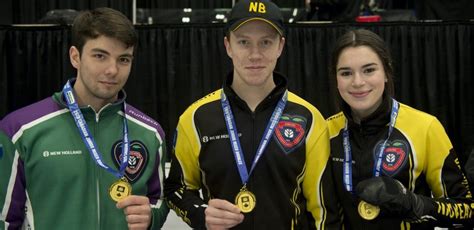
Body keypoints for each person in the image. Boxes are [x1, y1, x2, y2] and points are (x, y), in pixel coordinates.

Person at [164, 0, 340, 229]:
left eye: (266, 42)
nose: (255, 54)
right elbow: (175, 189)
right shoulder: (196, 118)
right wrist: (200, 214)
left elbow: (323, 210)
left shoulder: (309, 118)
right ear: (228, 46)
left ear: (280, 46)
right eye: (244, 42)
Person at [0, 7, 168, 229]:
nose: (112, 70)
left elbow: (159, 201)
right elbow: (4, 219)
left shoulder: (150, 133)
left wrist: (151, 218)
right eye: (100, 56)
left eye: (124, 59)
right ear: (75, 57)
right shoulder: (19, 130)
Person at [326, 29, 473, 229]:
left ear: (386, 73)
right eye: (346, 73)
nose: (358, 82)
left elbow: (467, 209)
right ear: (336, 79)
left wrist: (414, 203)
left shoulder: (426, 127)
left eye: (369, 70)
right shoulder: (324, 131)